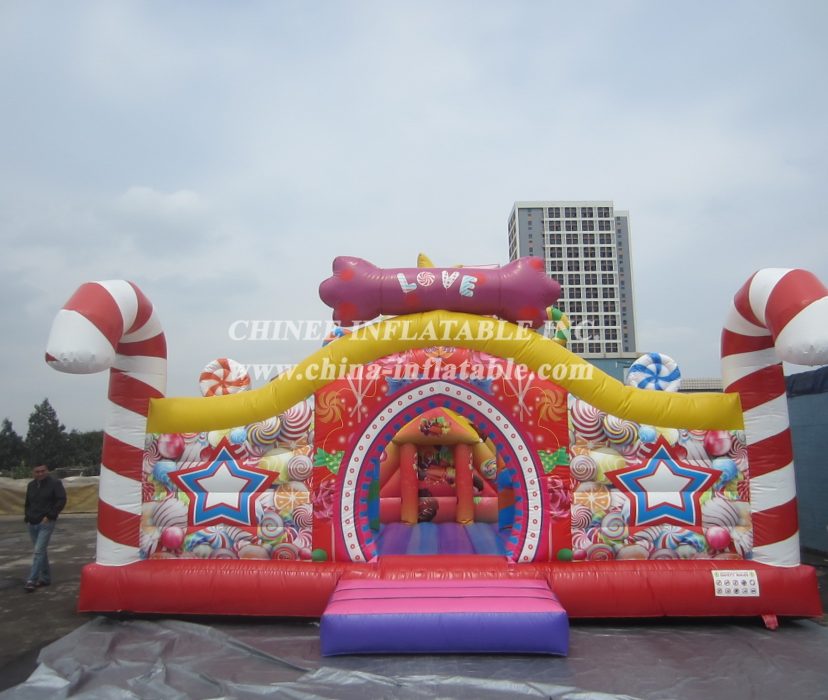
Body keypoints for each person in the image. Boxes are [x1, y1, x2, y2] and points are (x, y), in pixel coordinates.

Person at [23, 464, 67, 592]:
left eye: (42, 471)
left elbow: (61, 500)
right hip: (32, 522)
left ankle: (32, 580)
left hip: (46, 522)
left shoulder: (55, 484)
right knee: (41, 551)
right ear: (33, 472)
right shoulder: (31, 485)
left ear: (47, 471)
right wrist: (27, 517)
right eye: (37, 472)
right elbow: (28, 503)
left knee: (38, 551)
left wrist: (50, 516)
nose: (40, 474)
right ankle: (46, 578)